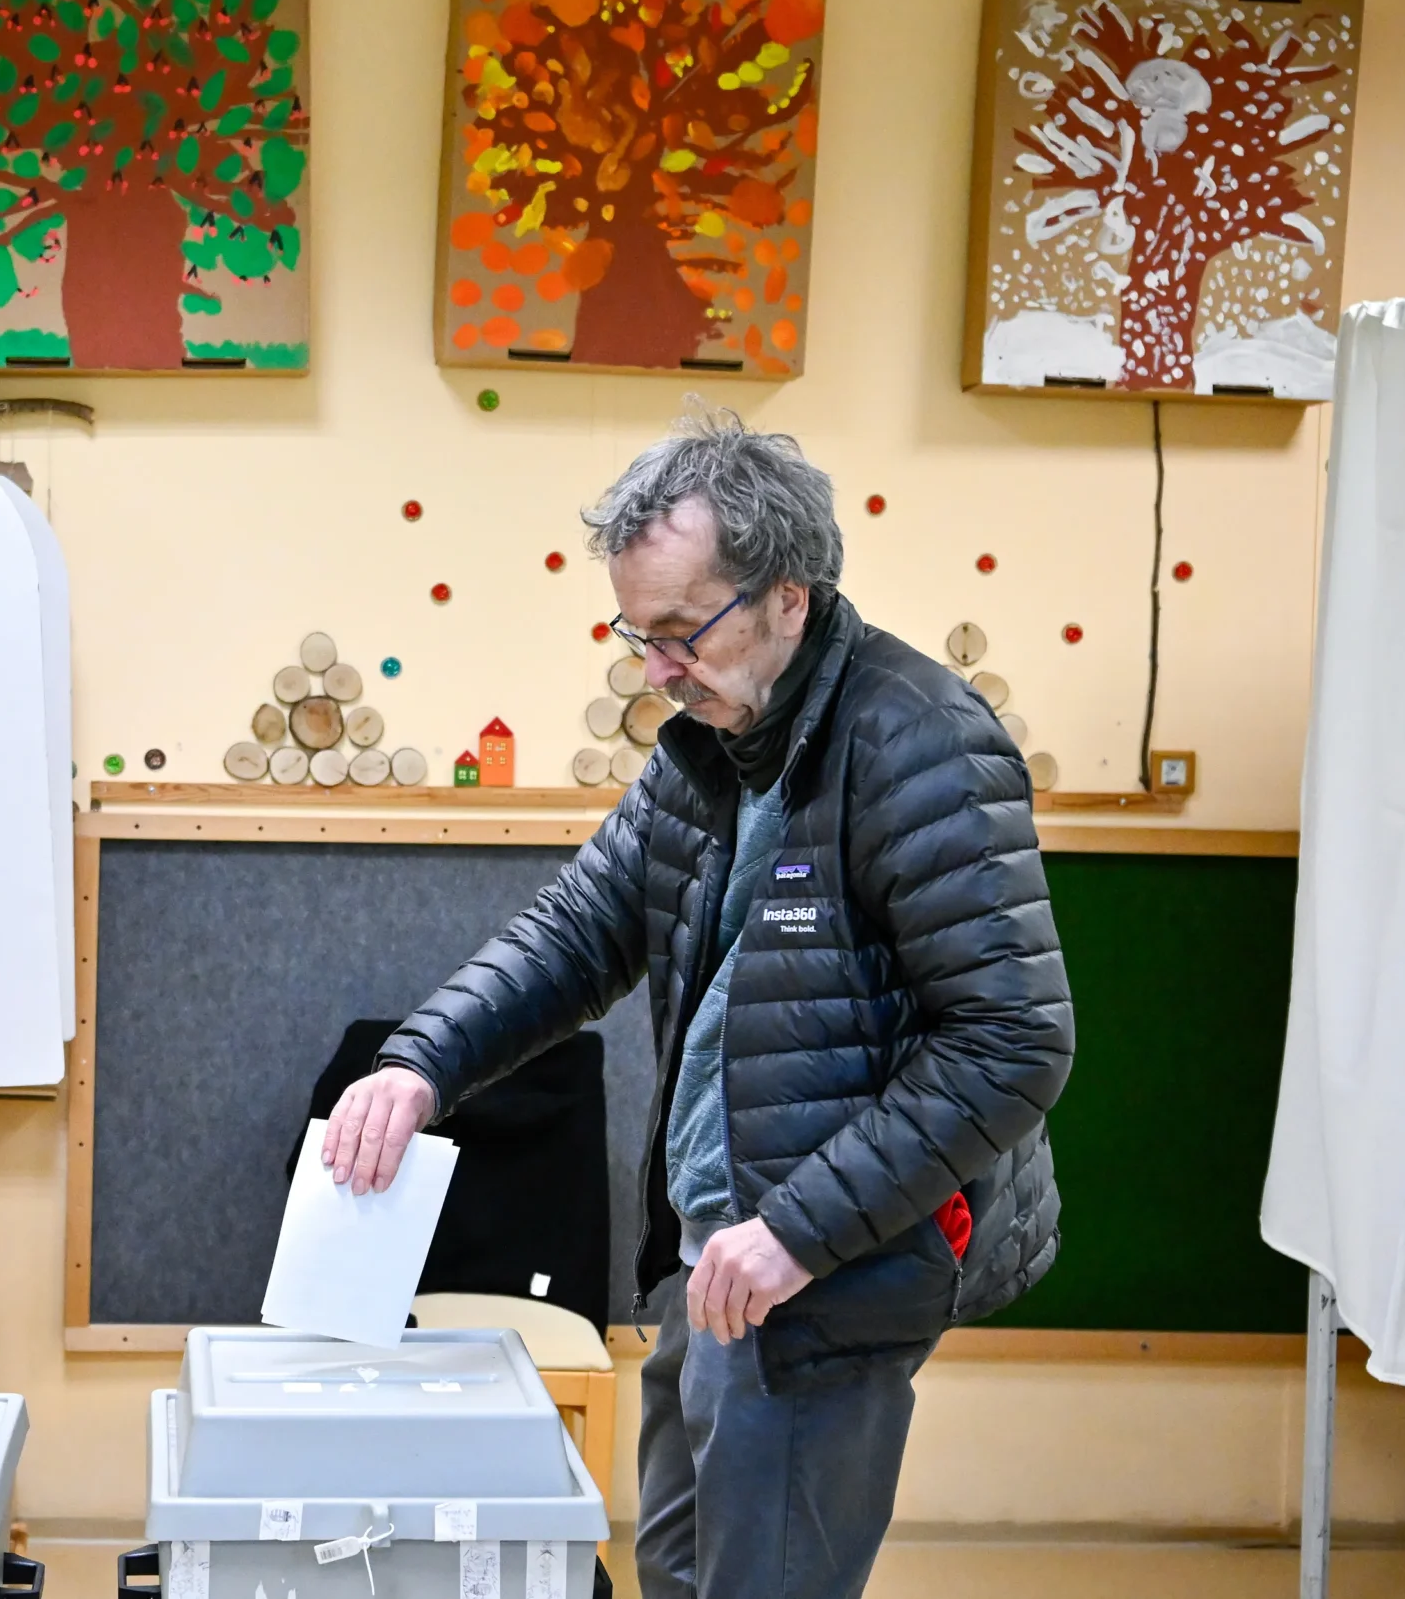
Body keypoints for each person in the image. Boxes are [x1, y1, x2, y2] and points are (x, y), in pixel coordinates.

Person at [322, 406, 1074, 1599]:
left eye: (681, 633)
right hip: (715, 1257)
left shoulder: (916, 743)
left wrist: (798, 1233)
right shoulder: (713, 747)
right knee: (674, 1568)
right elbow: (576, 933)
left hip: (823, 1271)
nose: (656, 670)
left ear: (788, 597)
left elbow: (1011, 1041)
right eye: (638, 634)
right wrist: (421, 1064)